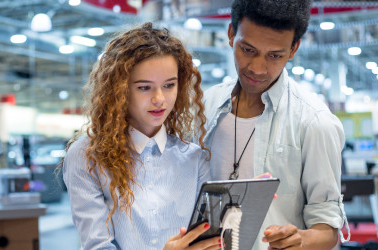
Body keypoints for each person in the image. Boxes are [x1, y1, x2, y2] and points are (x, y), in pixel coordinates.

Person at [202, 0, 349, 249]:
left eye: (275, 56)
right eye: (247, 50)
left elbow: (328, 228)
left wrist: (300, 240)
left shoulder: (315, 122)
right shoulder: (205, 106)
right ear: (230, 35)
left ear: (293, 50)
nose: (257, 68)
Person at [62, 22, 222, 250]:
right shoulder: (86, 156)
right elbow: (98, 246)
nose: (160, 99)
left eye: (169, 85)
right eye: (144, 88)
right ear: (119, 89)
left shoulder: (195, 158)